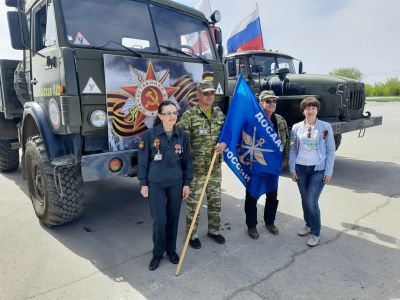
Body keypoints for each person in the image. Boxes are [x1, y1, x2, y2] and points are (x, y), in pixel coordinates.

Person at [138, 100, 193, 271]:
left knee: (173, 219)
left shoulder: (182, 135)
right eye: (167, 113)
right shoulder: (149, 135)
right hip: (156, 184)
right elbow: (142, 161)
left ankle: (171, 250)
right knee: (160, 220)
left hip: (176, 184)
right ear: (160, 116)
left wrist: (186, 183)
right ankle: (157, 253)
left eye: (174, 113)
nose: (172, 116)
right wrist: (143, 183)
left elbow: (187, 162)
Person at [178, 80, 226, 249]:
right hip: (197, 169)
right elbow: (181, 143)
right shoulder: (189, 115)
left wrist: (224, 144)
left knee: (215, 201)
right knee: (194, 204)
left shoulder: (219, 114)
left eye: (212, 93)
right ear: (198, 95)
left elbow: (226, 135)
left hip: (215, 167)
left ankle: (214, 230)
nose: (209, 96)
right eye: (205, 93)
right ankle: (192, 234)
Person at [289, 97, 335, 247]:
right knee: (304, 199)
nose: (310, 111)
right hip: (300, 168)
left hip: (318, 169)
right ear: (303, 111)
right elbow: (292, 148)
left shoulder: (325, 127)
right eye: (307, 108)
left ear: (317, 110)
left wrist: (328, 171)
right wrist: (292, 168)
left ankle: (316, 232)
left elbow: (330, 151)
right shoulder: (296, 127)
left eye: (313, 108)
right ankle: (308, 225)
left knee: (311, 201)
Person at [245, 90, 290, 239]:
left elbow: (286, 140)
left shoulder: (280, 120)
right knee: (252, 195)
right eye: (268, 101)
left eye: (274, 101)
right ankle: (251, 226)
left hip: (273, 166)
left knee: (272, 195)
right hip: (257, 165)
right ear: (260, 103)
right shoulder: (253, 121)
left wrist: (285, 157)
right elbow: (244, 142)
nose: (272, 104)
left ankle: (270, 222)